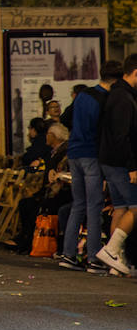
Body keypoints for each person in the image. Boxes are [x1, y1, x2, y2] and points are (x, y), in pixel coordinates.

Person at [58, 61, 118, 273]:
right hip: (91, 154)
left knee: (78, 204)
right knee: (94, 206)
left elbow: (65, 117)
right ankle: (93, 257)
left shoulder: (84, 94)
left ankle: (68, 254)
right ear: (117, 80)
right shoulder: (105, 99)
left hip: (74, 152)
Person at [95, 54, 137, 276]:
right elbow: (123, 135)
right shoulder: (124, 98)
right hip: (121, 163)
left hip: (109, 161)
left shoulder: (115, 94)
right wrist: (132, 166)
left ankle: (115, 259)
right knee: (135, 207)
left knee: (120, 208)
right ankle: (112, 250)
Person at [6, 123, 70, 253]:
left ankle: (27, 241)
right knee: (26, 203)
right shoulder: (53, 152)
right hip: (49, 190)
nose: (45, 137)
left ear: (53, 136)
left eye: (47, 134)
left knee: (34, 206)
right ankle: (24, 238)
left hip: (59, 193)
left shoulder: (63, 152)